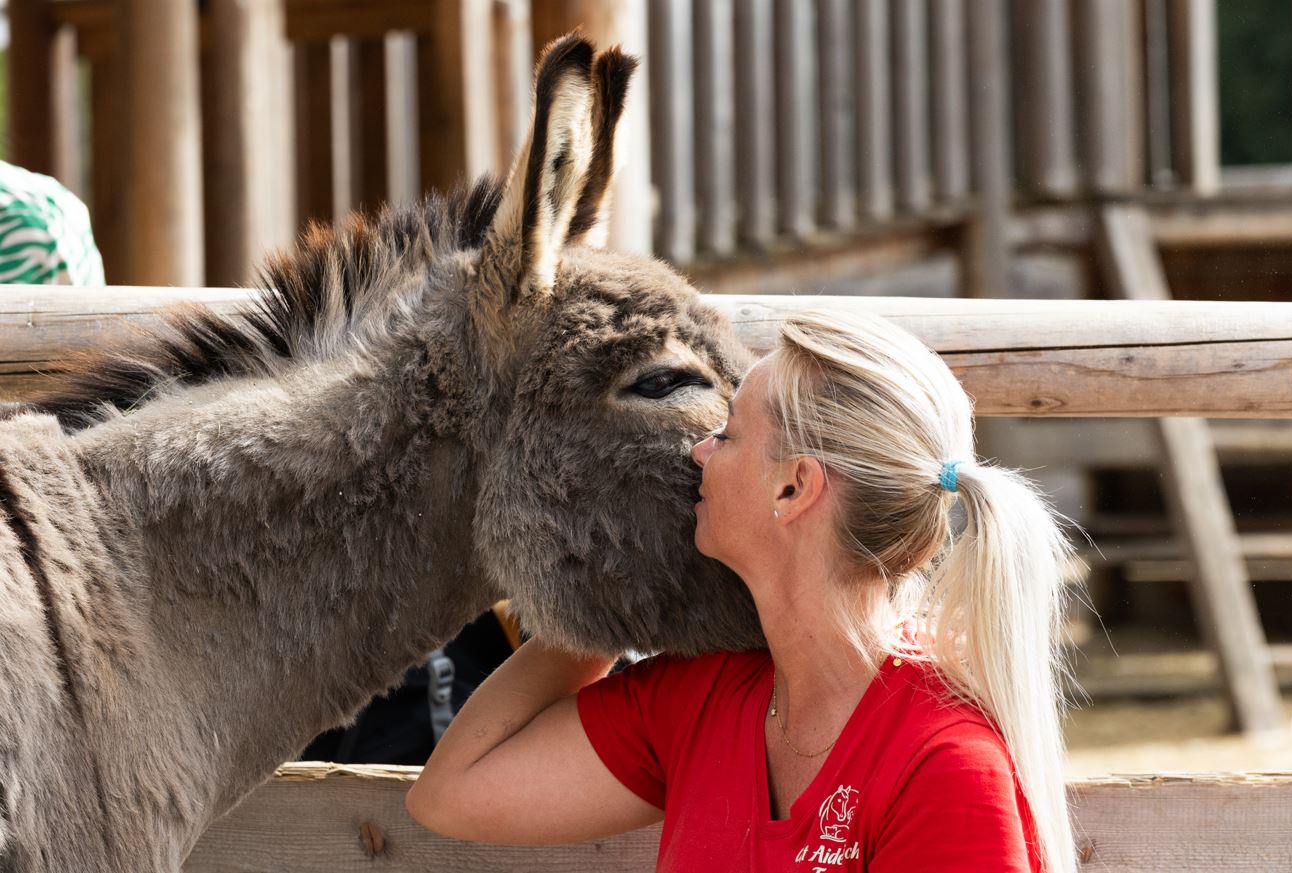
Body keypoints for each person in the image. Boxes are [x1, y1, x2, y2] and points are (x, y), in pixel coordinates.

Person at [405, 310, 1079, 872]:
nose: (699, 451)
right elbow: (453, 790)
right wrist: (612, 602)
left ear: (793, 487)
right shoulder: (705, 694)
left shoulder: (946, 767)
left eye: (727, 433)